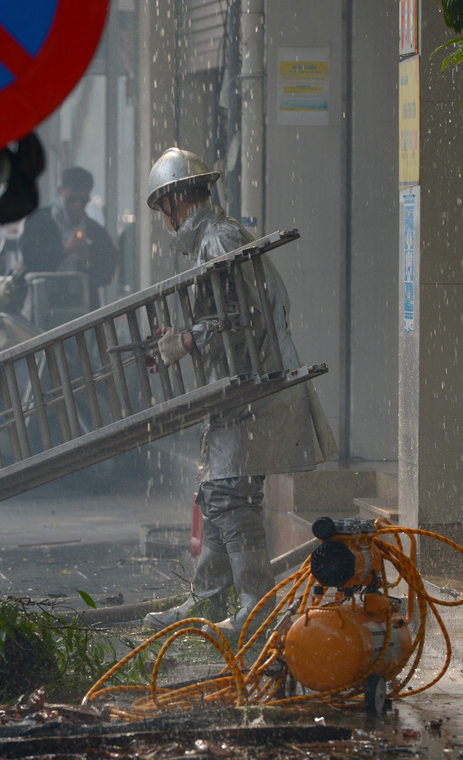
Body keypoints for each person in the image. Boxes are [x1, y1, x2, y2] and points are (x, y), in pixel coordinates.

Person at [142, 148, 338, 636]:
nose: (164, 224)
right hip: (241, 394)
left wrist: (184, 341)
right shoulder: (216, 237)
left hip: (253, 396)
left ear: (174, 201)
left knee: (231, 499)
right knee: (218, 495)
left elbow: (239, 319)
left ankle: (257, 609)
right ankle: (206, 601)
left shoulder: (218, 239)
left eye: (163, 210)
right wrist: (182, 338)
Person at [18, 166, 118, 310]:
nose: (78, 205)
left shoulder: (94, 230)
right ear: (60, 192)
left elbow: (108, 270)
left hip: (83, 306)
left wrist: (89, 258)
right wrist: (63, 250)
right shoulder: (38, 222)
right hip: (44, 304)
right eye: (72, 199)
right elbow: (30, 258)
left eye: (84, 200)